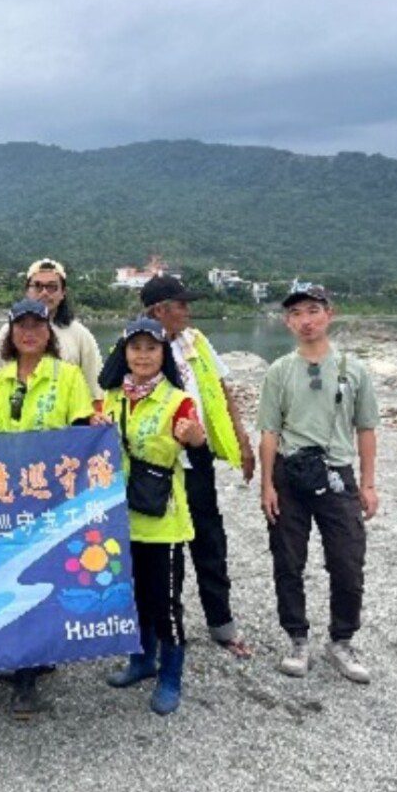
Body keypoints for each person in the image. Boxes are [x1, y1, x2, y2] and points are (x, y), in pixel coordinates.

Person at [257, 284, 380, 684]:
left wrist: (368, 483)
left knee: (347, 561)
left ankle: (342, 639)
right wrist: (267, 486)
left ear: (329, 313)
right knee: (288, 560)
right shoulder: (279, 371)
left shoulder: (354, 370)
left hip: (336, 473)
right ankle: (297, 638)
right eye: (296, 314)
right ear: (287, 321)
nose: (305, 320)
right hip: (289, 473)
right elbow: (270, 432)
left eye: (313, 310)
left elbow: (366, 428)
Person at [0, 298, 98, 717]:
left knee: (41, 579)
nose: (29, 332)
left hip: (49, 499)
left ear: (49, 332)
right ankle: (16, 656)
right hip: (2, 498)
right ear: (10, 333)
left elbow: (81, 433)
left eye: (38, 325)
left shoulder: (68, 377)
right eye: (21, 325)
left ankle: (27, 679)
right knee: (7, 580)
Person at [140, 275, 255, 658]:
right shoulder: (138, 347)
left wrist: (242, 441)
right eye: (181, 304)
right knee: (162, 550)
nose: (188, 310)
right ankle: (161, 631)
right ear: (160, 310)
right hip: (157, 465)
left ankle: (221, 624)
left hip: (198, 459)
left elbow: (223, 391)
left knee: (209, 539)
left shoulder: (197, 342)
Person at [100, 317, 205, 716]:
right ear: (123, 352)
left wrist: (194, 438)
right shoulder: (109, 398)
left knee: (166, 602)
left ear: (164, 354)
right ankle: (142, 660)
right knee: (134, 596)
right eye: (135, 347)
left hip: (163, 521)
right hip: (121, 517)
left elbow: (196, 447)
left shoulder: (178, 400)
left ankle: (171, 675)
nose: (143, 355)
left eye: (151, 348)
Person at [0, 259, 104, 405]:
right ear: (27, 291)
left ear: (63, 293)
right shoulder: (7, 332)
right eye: (37, 286)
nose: (44, 293)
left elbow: (95, 390)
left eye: (52, 287)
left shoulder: (81, 335)